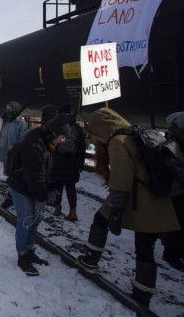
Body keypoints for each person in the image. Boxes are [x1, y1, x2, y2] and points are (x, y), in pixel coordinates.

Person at [77, 108, 180, 307]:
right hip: (156, 200)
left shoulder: (118, 141)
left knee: (100, 221)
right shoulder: (136, 134)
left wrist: (116, 211)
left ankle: (90, 260)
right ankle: (143, 294)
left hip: (135, 198)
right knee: (145, 248)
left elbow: (121, 179)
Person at [6, 113, 70, 276]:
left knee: (36, 219)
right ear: (54, 133)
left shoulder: (48, 144)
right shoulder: (34, 144)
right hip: (21, 186)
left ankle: (30, 250)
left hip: (31, 186)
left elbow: (48, 170)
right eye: (62, 137)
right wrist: (42, 197)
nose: (63, 140)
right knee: (26, 220)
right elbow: (34, 175)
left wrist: (52, 188)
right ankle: (22, 255)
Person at [50, 105, 86, 221]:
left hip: (58, 161)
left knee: (58, 186)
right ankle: (73, 211)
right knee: (71, 187)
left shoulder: (57, 126)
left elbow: (52, 143)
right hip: (73, 163)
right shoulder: (77, 127)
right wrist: (81, 162)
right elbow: (82, 147)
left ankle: (57, 207)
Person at [162, 112, 184, 271]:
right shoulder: (171, 143)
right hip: (176, 188)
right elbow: (175, 166)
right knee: (176, 220)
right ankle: (171, 252)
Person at [0, 101, 28, 208]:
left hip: (14, 155)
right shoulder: (5, 122)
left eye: (10, 108)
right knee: (8, 175)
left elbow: (23, 139)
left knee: (13, 177)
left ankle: (11, 198)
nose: (8, 110)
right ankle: (12, 196)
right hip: (5, 154)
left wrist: (16, 150)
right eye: (7, 108)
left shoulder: (20, 123)